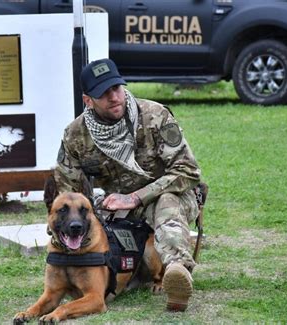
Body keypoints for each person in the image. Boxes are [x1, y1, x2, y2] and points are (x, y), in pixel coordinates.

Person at [54, 58, 201, 311]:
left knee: (167, 203)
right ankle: (95, 278)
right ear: (88, 100)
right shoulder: (76, 135)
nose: (114, 97)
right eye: (104, 93)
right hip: (118, 207)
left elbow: (188, 170)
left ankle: (177, 271)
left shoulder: (155, 116)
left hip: (169, 195)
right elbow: (70, 193)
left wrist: (136, 197)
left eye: (117, 88)